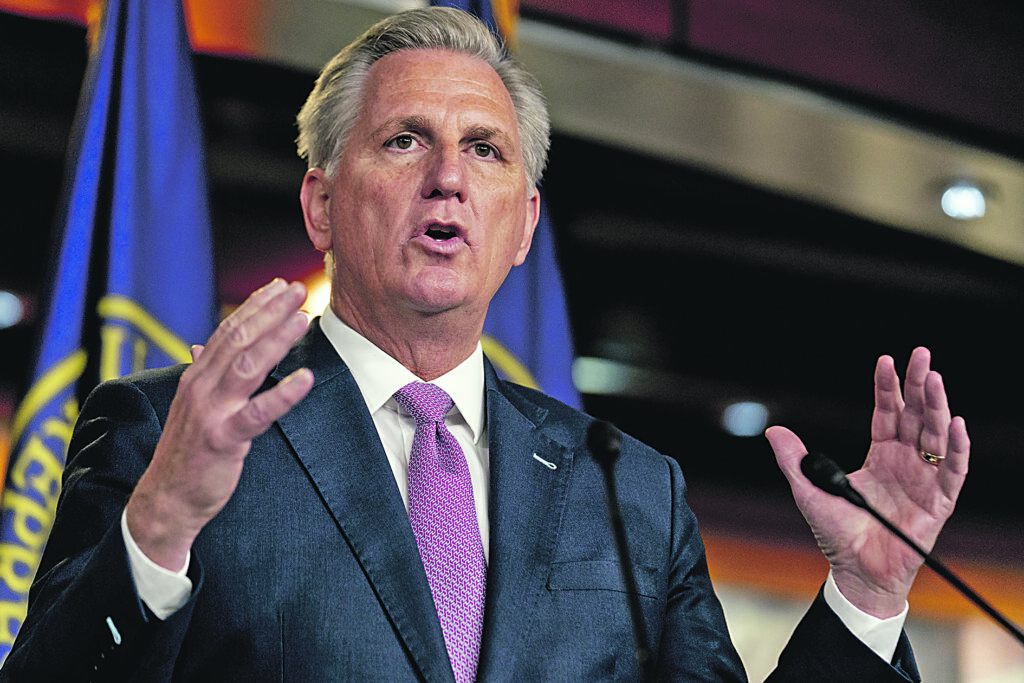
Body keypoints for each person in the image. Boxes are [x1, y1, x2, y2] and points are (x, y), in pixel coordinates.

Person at [2, 7, 969, 681]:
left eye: (484, 149)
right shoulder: (171, 432)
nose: (448, 179)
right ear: (321, 203)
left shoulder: (627, 489)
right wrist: (159, 529)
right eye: (404, 141)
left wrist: (866, 595)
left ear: (523, 227)